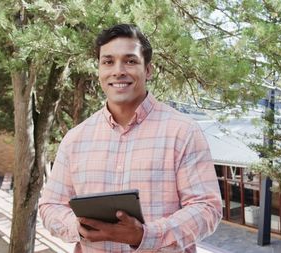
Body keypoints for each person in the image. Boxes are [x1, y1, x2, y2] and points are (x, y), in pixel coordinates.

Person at [39, 24, 222, 253]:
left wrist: (145, 236)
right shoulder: (75, 139)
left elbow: (207, 208)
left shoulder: (183, 132)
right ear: (99, 70)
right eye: (108, 61)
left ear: (148, 70)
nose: (118, 71)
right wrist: (76, 226)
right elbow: (50, 206)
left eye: (130, 61)